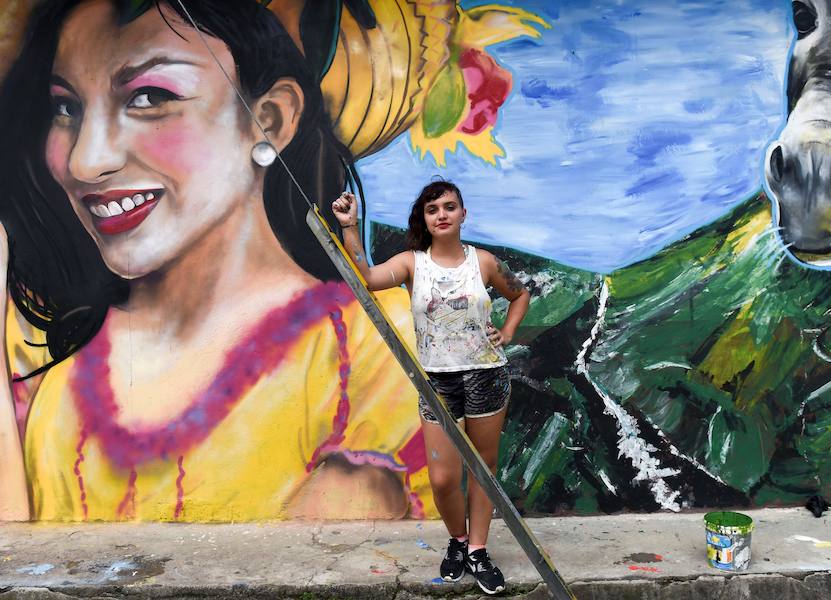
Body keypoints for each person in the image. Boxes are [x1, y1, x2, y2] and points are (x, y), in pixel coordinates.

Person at [0, 0, 435, 522]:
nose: (85, 162)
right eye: (66, 108)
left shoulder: (367, 352)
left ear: (270, 121)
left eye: (149, 97)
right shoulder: (60, 385)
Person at [332, 181, 531, 595]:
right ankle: (457, 540)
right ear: (423, 218)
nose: (441, 214)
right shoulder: (411, 263)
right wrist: (350, 227)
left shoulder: (485, 262)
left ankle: (477, 549)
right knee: (442, 478)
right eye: (432, 209)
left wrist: (508, 332)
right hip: (437, 380)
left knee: (483, 470)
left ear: (462, 214)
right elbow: (366, 278)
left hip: (486, 374)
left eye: (449, 207)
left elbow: (520, 293)